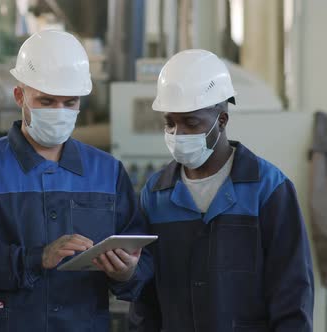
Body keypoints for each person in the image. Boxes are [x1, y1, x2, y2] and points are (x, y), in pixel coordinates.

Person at [0, 29, 151, 332]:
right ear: (19, 96)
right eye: (47, 101)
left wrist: (127, 273)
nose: (59, 112)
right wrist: (35, 258)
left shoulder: (107, 172)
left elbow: (142, 259)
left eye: (70, 102)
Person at [129, 49, 314, 331]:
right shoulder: (155, 195)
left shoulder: (268, 190)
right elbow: (144, 302)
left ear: (222, 121)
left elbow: (292, 294)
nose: (178, 134)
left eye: (191, 123)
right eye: (170, 123)